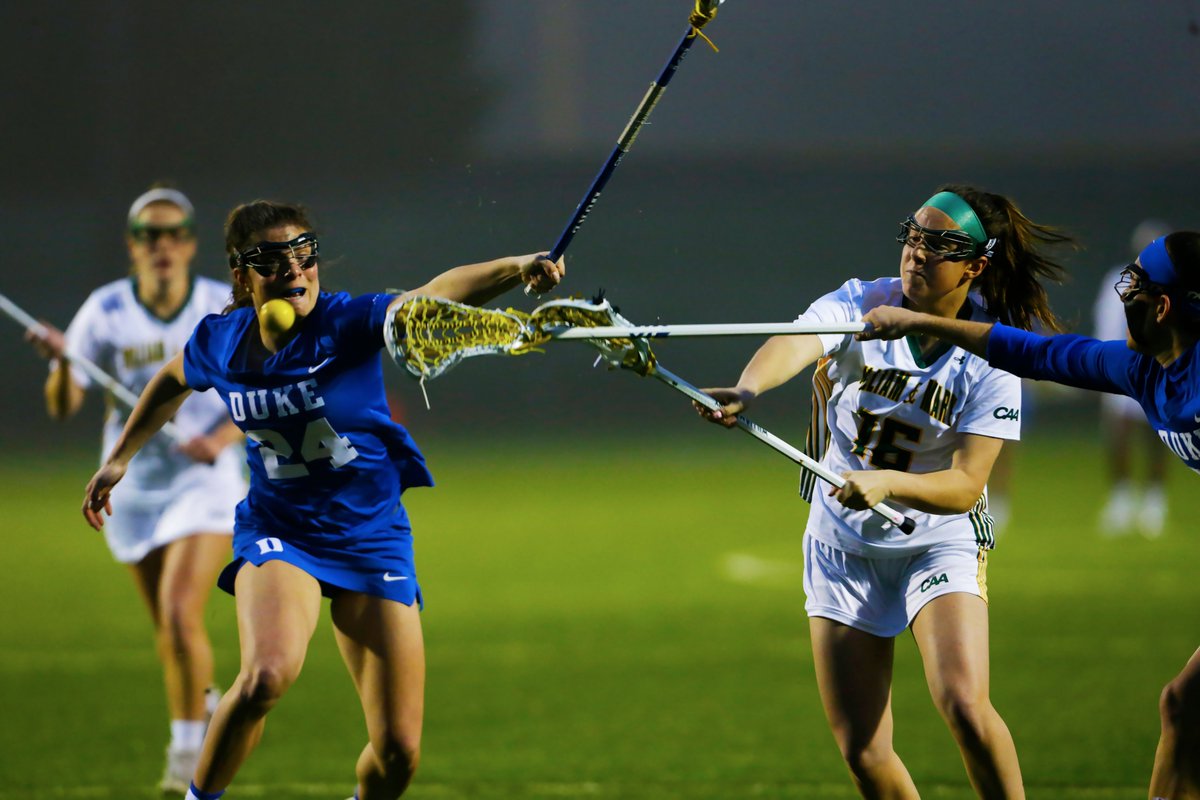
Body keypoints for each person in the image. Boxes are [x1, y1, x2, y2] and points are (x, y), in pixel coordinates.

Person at [80, 199, 564, 800]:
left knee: (398, 754)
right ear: (242, 274)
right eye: (271, 258)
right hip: (281, 531)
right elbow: (172, 380)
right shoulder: (221, 341)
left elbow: (434, 295)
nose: (293, 267)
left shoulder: (348, 322)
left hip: (371, 536)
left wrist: (517, 267)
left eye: (303, 251)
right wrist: (120, 456)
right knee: (264, 677)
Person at [696, 185, 1072, 798]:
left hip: (937, 540)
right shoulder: (862, 301)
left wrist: (887, 484)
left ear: (976, 265)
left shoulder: (991, 351)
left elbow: (966, 486)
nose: (918, 253)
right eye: (914, 236)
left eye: (940, 244)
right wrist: (747, 390)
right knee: (865, 751)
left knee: (964, 704)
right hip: (842, 544)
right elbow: (797, 340)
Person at [858, 231, 1200, 800]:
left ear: (1162, 306)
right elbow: (1037, 354)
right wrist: (919, 322)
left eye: (1136, 285)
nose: (1124, 295)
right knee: (1184, 708)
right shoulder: (1146, 371)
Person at [24, 186, 246, 793]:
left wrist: (221, 439)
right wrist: (63, 362)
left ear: (192, 244)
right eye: (150, 235)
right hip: (132, 486)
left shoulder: (217, 304)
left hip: (205, 483)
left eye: (175, 234)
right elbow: (63, 406)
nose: (163, 245)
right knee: (170, 630)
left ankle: (186, 757)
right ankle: (204, 702)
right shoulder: (106, 310)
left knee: (179, 611)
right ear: (133, 245)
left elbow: (262, 383)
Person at [1093, 219, 1173, 537]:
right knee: (1118, 433)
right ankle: (1122, 499)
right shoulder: (1119, 280)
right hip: (1124, 368)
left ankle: (1155, 501)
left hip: (1160, 368)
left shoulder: (1175, 284)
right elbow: (1106, 325)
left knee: (1159, 436)